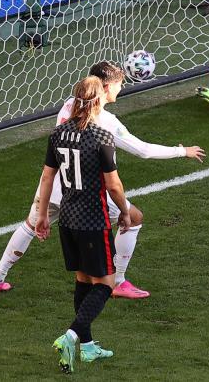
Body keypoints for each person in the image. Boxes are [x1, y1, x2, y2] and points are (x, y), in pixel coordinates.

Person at [0, 62, 205, 299]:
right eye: (120, 84)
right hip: (84, 193)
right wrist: (182, 151)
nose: (121, 89)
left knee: (30, 225)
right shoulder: (105, 123)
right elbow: (143, 150)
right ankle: (117, 281)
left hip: (55, 186)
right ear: (106, 87)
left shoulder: (70, 104)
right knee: (135, 218)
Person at [35, 76, 130, 373]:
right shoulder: (101, 137)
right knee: (105, 284)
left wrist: (41, 215)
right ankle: (71, 337)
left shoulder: (58, 133)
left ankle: (87, 348)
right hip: (93, 220)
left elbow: (48, 177)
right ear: (99, 100)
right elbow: (113, 185)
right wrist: (125, 211)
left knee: (82, 280)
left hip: (68, 219)